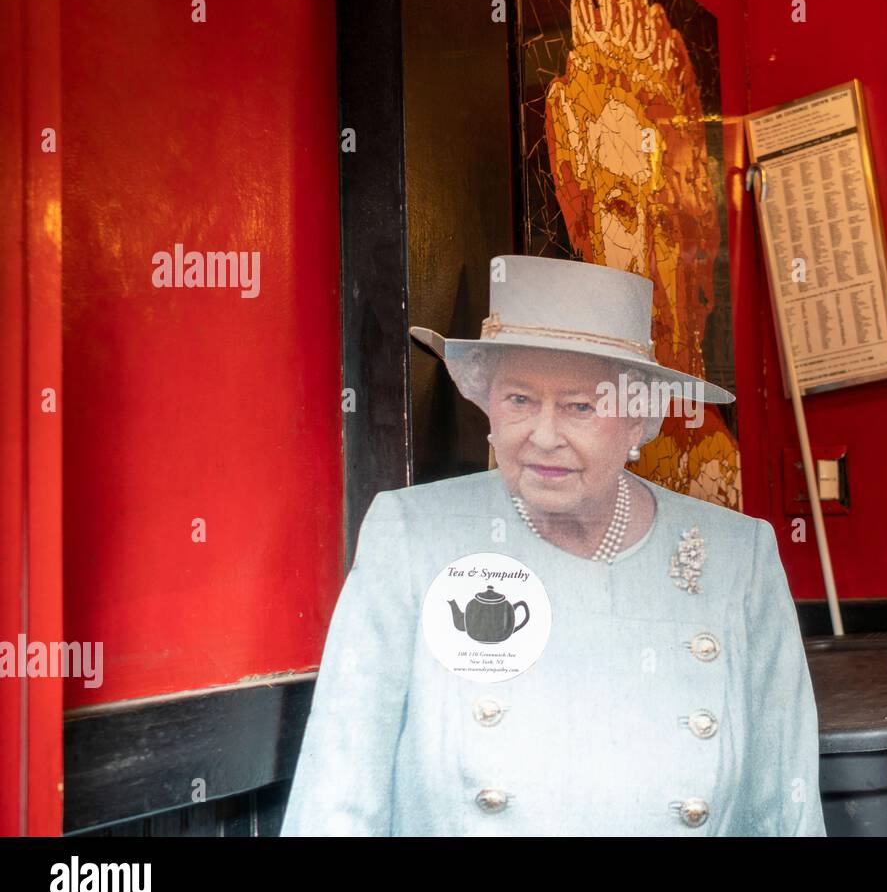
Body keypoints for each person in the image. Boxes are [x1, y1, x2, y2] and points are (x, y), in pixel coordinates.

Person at [280, 255, 826, 836]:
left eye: (579, 406)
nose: (543, 436)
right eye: (519, 400)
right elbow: (338, 794)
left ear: (639, 417)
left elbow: (784, 805)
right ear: (487, 402)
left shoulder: (737, 555)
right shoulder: (415, 535)